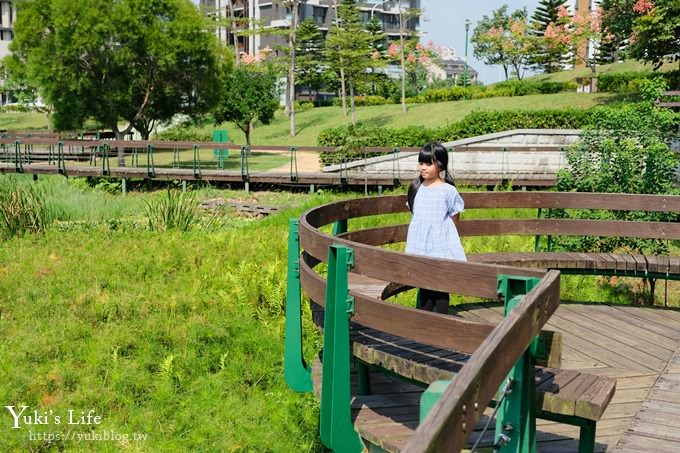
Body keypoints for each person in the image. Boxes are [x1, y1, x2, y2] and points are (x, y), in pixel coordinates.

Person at [405, 142, 466, 314]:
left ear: (440, 165)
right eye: (420, 163)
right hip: (420, 245)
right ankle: (422, 323)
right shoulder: (416, 188)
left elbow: (455, 217)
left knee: (440, 286)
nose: (422, 167)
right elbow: (416, 216)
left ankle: (440, 323)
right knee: (423, 284)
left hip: (440, 245)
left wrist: (445, 238)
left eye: (427, 163)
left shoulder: (448, 191)